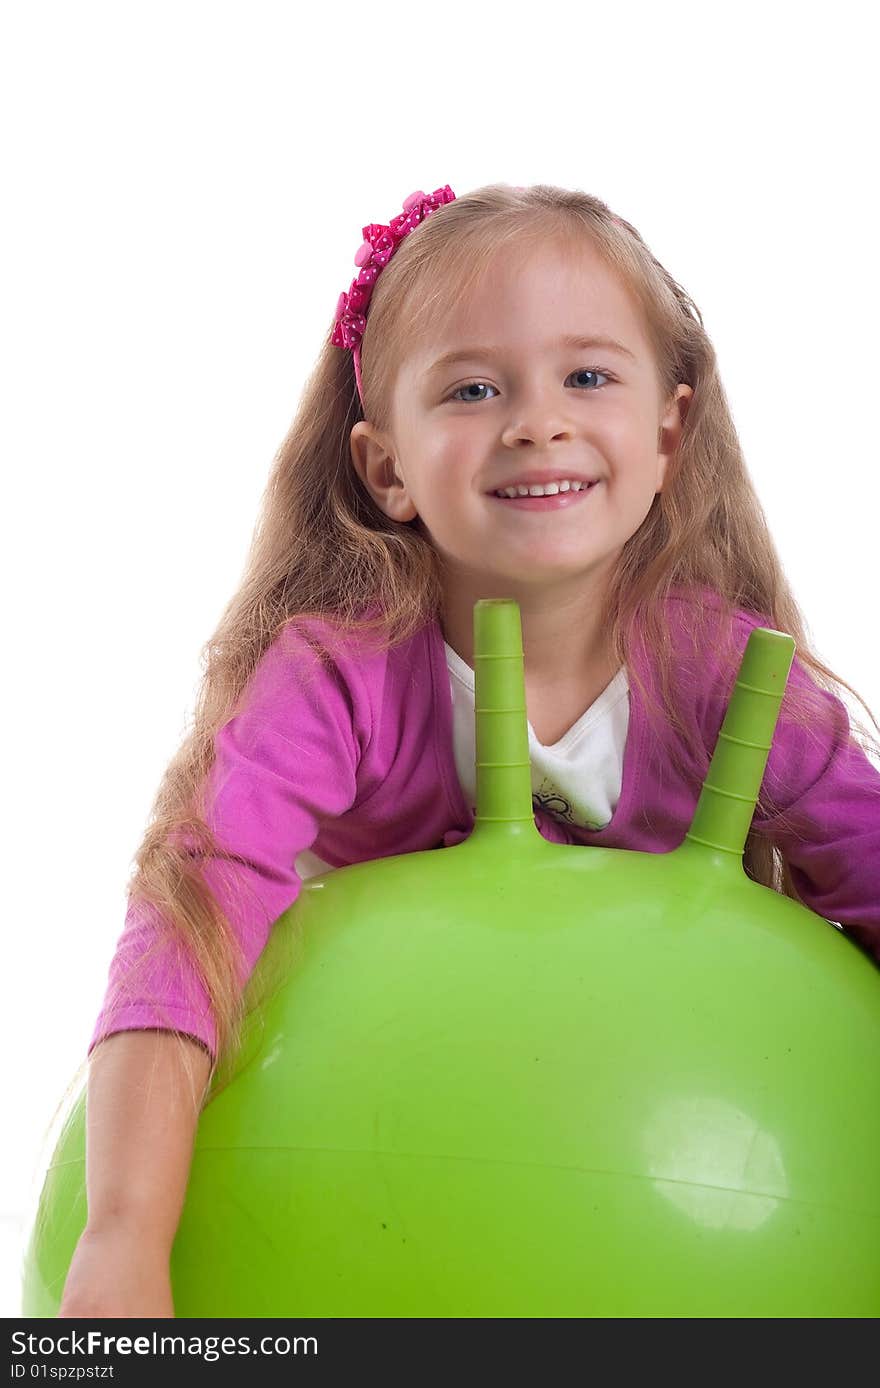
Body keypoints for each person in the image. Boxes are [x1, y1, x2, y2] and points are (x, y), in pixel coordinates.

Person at [57, 182, 880, 1317]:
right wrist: (125, 1235)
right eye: (472, 387)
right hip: (365, 1145)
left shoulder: (728, 685)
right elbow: (189, 916)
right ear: (386, 464)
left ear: (666, 433)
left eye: (586, 375)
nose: (536, 420)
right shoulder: (333, 679)